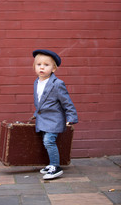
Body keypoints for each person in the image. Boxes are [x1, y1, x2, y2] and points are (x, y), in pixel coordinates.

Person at [32, 49, 78, 180]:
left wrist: (71, 117)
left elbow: (67, 102)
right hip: (43, 119)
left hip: (54, 120)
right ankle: (51, 164)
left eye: (46, 65)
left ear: (54, 69)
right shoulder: (37, 82)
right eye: (38, 64)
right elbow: (41, 102)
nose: (42, 67)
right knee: (46, 141)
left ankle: (56, 167)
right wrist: (37, 113)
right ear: (34, 67)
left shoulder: (57, 84)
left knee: (49, 141)